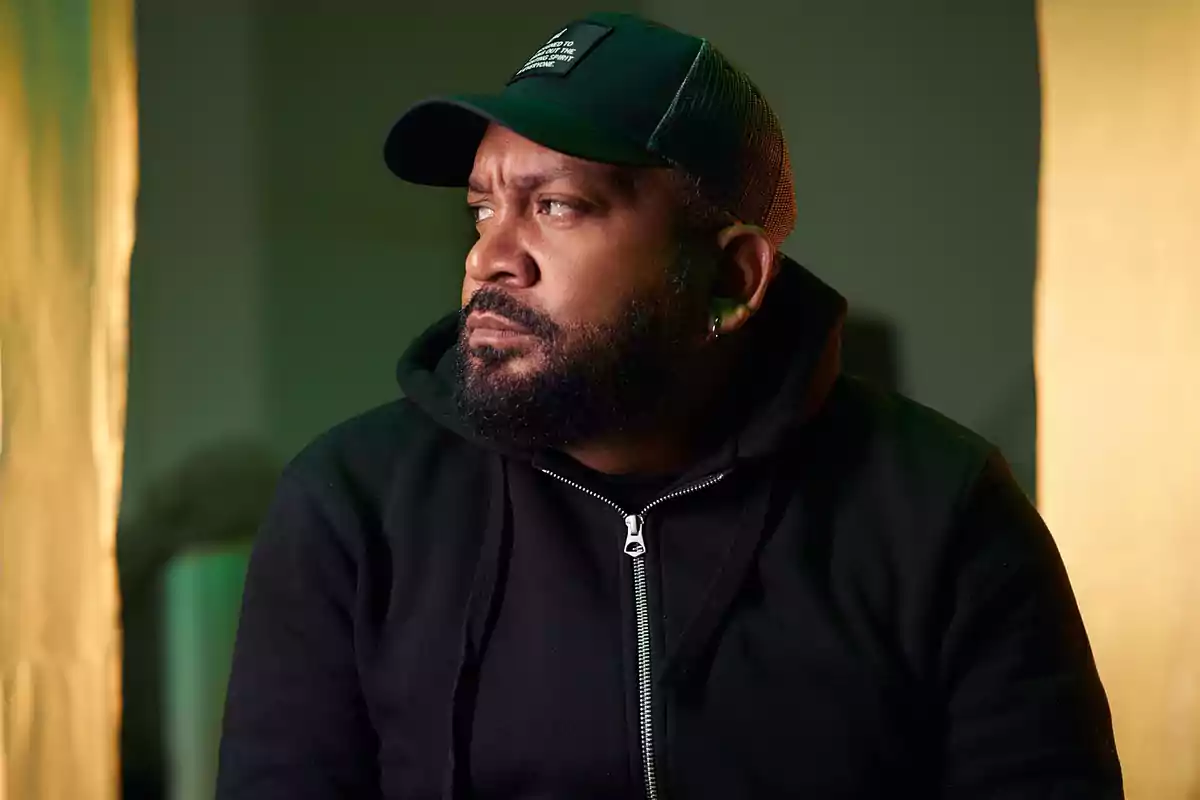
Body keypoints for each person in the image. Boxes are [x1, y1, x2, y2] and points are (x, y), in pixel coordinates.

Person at [216, 12, 1122, 799]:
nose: (493, 257)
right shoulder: (351, 506)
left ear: (730, 278)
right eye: (482, 210)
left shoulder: (939, 511)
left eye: (559, 207)